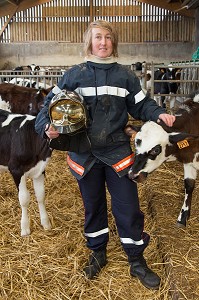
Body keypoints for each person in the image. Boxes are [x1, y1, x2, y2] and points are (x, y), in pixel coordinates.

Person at [35, 19, 175, 290]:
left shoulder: (125, 76)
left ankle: (136, 260)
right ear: (89, 42)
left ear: (114, 43)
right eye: (97, 37)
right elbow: (46, 108)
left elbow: (142, 104)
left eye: (108, 37)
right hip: (84, 156)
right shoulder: (73, 75)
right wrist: (47, 128)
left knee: (128, 207)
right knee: (93, 207)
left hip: (117, 153)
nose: (103, 42)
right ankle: (97, 253)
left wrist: (159, 114)